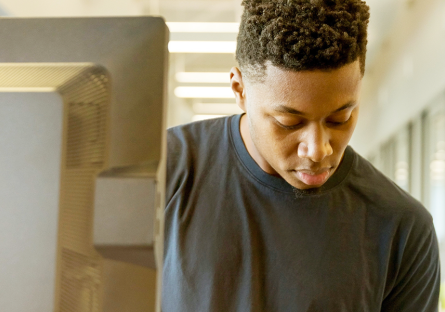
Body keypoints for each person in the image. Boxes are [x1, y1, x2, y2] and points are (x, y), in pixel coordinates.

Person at [163, 0, 441, 311]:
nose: (318, 149)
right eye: (289, 123)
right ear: (240, 89)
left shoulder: (402, 228)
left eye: (340, 119)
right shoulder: (164, 172)